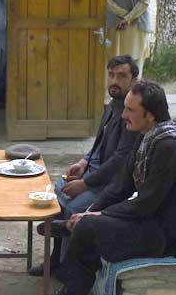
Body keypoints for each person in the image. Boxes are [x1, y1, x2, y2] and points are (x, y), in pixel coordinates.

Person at [28, 80, 176, 295]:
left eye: (130, 110)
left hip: (168, 235)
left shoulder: (171, 147)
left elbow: (147, 203)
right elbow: (120, 187)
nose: (123, 115)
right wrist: (90, 211)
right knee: (86, 223)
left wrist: (96, 217)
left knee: (88, 228)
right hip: (150, 220)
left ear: (150, 115)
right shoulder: (146, 136)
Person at [28, 55, 141, 278]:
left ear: (133, 80)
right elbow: (99, 145)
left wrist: (86, 183)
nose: (114, 81)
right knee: (56, 195)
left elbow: (120, 159)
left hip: (111, 184)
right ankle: (56, 260)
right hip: (94, 173)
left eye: (121, 76)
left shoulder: (130, 113)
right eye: (111, 75)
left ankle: (70, 270)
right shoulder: (112, 106)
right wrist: (83, 162)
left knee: (73, 209)